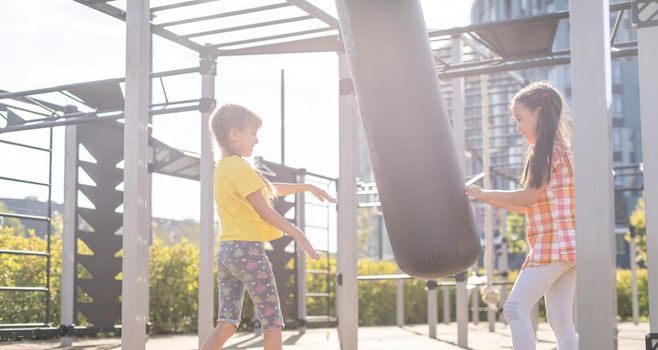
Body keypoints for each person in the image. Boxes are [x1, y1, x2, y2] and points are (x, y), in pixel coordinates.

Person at [201, 104, 336, 350]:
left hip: (227, 252)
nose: (257, 140)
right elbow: (264, 209)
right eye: (253, 133)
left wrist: (306, 187)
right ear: (234, 134)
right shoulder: (239, 167)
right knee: (271, 320)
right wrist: (297, 233)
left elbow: (268, 189)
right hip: (248, 252)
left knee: (227, 322)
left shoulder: (224, 168)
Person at [465, 81, 577, 349]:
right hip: (568, 247)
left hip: (553, 246)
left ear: (538, 112)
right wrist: (488, 198)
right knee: (561, 319)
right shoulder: (562, 148)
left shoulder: (543, 151)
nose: (518, 127)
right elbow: (531, 203)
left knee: (514, 308)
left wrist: (484, 193)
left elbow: (527, 197)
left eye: (520, 118)